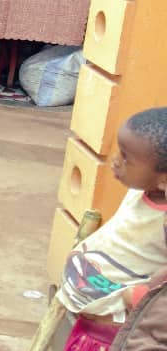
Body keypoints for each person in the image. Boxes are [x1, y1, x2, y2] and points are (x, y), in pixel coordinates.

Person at [56, 107, 167, 350]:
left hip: (114, 335)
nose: (115, 160)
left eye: (126, 158)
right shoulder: (140, 190)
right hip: (90, 323)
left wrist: (137, 296)